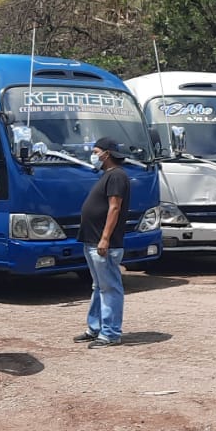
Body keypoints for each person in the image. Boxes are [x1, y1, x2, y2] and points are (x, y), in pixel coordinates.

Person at [74, 136, 131, 348]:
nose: (93, 156)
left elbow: (114, 208)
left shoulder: (116, 176)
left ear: (107, 154)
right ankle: (95, 327)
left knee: (110, 288)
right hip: (92, 241)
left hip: (104, 244)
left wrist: (105, 238)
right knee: (99, 287)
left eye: (96, 152)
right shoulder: (107, 175)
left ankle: (111, 333)